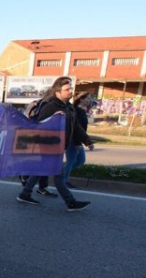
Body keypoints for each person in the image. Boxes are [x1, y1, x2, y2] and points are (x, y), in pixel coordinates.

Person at [16, 76, 94, 211]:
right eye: (67, 89)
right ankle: (71, 202)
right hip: (49, 147)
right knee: (59, 175)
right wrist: (53, 118)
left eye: (71, 88)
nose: (70, 91)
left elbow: (76, 126)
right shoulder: (50, 106)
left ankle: (25, 193)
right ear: (58, 92)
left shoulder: (69, 107)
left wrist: (87, 141)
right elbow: (39, 125)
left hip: (58, 146)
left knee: (39, 171)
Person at [65, 91, 92, 188]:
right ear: (81, 99)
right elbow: (74, 128)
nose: (90, 100)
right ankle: (63, 180)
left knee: (80, 160)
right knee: (71, 161)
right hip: (72, 140)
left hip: (79, 140)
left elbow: (82, 130)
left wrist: (86, 141)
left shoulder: (82, 111)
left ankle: (61, 174)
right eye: (88, 98)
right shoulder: (75, 111)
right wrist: (77, 143)